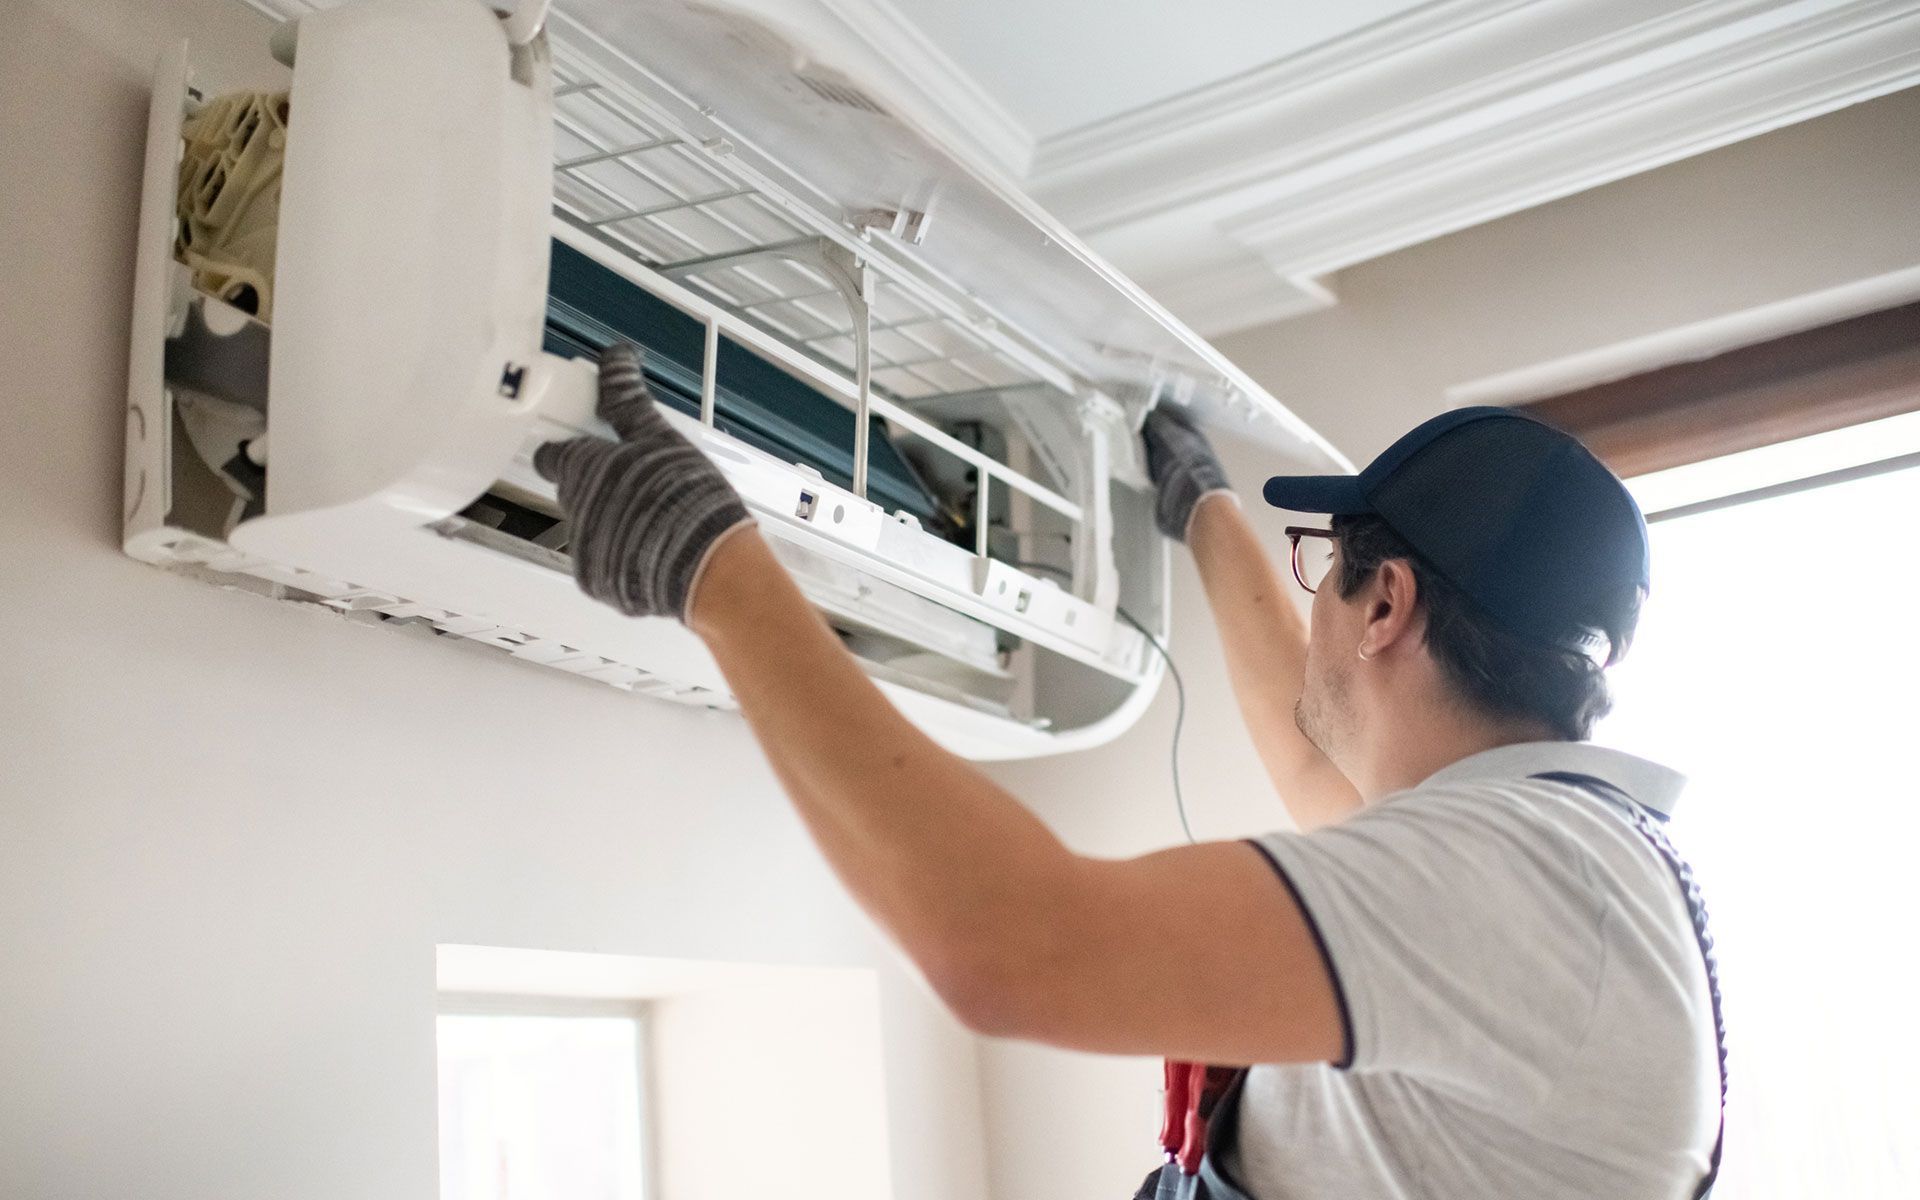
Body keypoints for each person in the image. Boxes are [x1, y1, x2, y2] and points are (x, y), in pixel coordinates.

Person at [535, 343, 1724, 1199]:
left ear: (1389, 603)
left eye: (1330, 572)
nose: (1313, 611)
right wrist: (1198, 503)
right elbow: (1309, 747)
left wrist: (715, 572)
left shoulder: (1518, 881)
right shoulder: (1553, 859)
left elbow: (1017, 947)